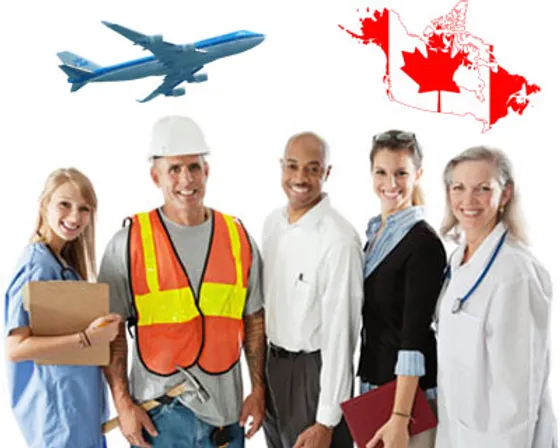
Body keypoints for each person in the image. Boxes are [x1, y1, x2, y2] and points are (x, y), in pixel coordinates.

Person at [98, 115, 266, 448]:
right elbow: (110, 331)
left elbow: (254, 321)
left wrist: (258, 390)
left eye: (193, 167)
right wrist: (122, 403)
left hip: (226, 418)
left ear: (207, 172)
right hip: (160, 418)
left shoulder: (238, 237)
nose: (185, 180)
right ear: (155, 176)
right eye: (174, 169)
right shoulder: (129, 241)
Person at [434, 146, 557, 448]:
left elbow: (516, 397)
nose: (468, 201)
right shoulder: (458, 261)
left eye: (483, 189)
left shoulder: (516, 273)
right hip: (458, 433)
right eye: (458, 188)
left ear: (505, 194)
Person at [4, 168, 121, 448]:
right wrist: (87, 339)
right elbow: (16, 348)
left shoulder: (64, 265)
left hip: (80, 415)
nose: (74, 217)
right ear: (44, 204)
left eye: (84, 209)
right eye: (64, 204)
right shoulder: (37, 265)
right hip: (59, 419)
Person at [261, 131, 363, 448]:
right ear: (281, 167)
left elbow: (341, 335)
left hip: (313, 377)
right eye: (292, 166)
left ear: (327, 173)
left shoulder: (339, 239)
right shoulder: (272, 225)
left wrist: (326, 420)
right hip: (272, 367)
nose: (300, 178)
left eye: (312, 168)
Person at [358, 130, 446, 448]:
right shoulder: (374, 234)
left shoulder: (423, 243)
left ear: (418, 175)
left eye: (401, 173)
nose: (390, 183)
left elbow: (414, 338)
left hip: (406, 402)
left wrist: (399, 417)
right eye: (381, 172)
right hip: (375, 388)